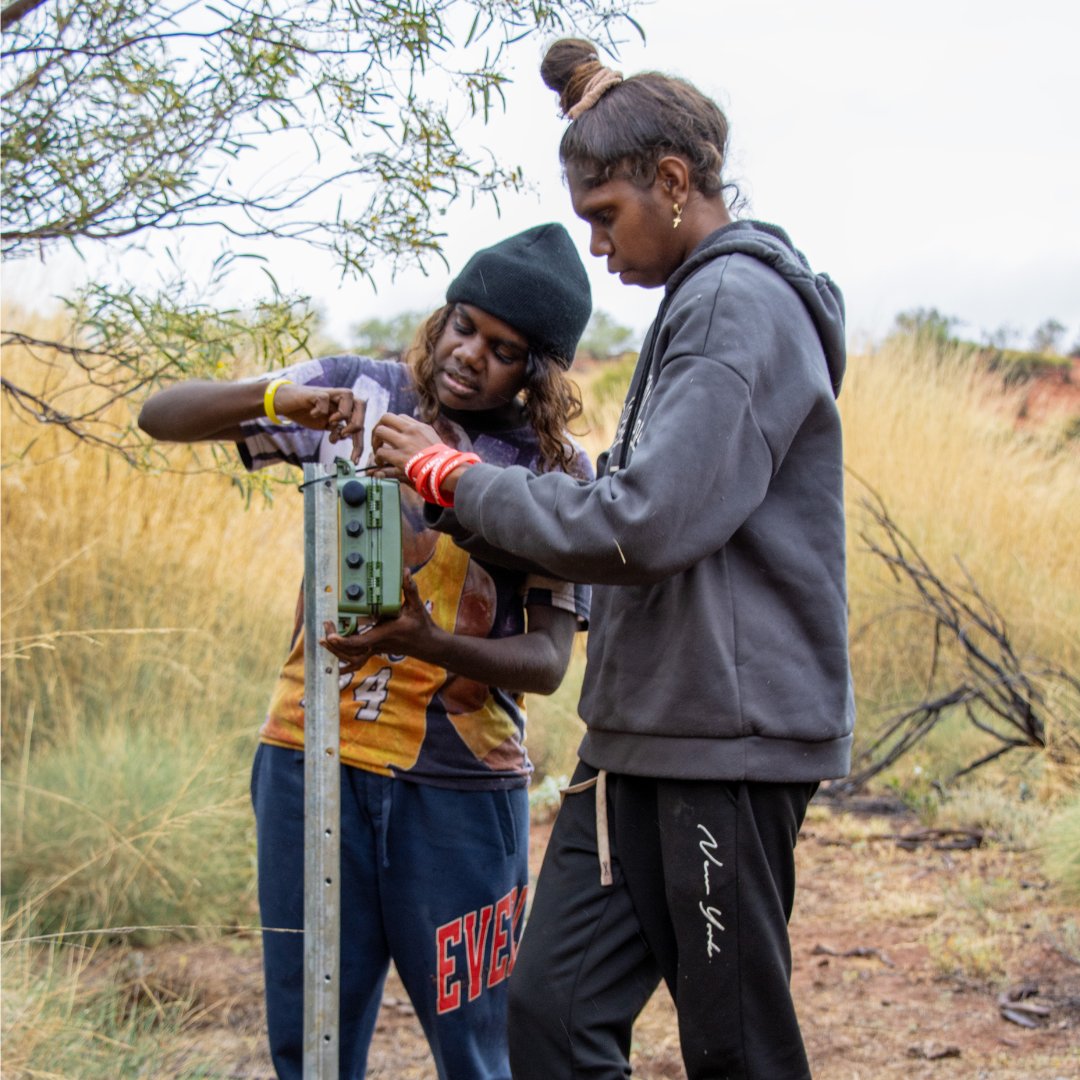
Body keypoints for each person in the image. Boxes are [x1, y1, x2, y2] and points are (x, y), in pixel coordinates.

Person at [369, 38, 855, 1080]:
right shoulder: (696, 303)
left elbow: (647, 523)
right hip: (638, 736)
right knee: (550, 1015)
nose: (597, 246)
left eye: (606, 216)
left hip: (721, 743)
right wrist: (470, 509)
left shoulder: (740, 305)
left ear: (672, 183)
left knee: (736, 1046)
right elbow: (631, 513)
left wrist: (454, 479)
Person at [137, 223, 595, 1080]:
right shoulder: (360, 393)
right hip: (309, 763)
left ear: (536, 374)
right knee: (308, 1039)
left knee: (480, 1050)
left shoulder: (552, 471)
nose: (470, 356)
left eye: (504, 350)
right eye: (464, 325)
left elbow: (547, 662)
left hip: (459, 787)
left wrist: (432, 640)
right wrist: (283, 402)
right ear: (443, 317)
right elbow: (158, 415)